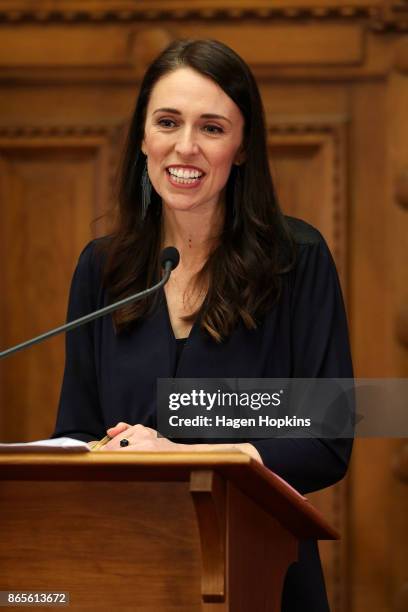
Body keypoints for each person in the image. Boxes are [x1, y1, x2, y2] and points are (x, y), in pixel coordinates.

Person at [53, 39, 353, 611]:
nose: (184, 146)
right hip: (127, 574)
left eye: (212, 128)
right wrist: (107, 449)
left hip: (258, 576)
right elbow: (77, 431)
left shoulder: (297, 260)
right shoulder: (103, 267)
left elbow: (326, 440)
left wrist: (177, 451)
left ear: (241, 148)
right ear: (143, 137)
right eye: (167, 122)